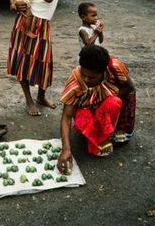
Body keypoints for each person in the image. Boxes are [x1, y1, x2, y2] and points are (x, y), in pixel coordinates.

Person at [57, 45, 136, 174]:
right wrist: (66, 149)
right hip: (84, 109)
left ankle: (104, 134)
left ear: (103, 72)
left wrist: (102, 99)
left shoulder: (115, 68)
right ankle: (94, 135)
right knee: (83, 117)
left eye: (92, 77)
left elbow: (130, 88)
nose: (86, 80)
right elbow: (66, 116)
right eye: (84, 74)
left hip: (106, 103)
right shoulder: (76, 80)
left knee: (114, 102)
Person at [7, 0, 64, 116]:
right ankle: (29, 100)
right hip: (23, 24)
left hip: (43, 26)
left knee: (43, 64)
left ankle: (41, 96)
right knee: (22, 63)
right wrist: (15, 5)